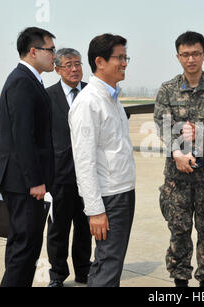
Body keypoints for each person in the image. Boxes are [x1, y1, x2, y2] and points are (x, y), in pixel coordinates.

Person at [154, 31, 204, 287]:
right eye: (185, 54)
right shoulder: (168, 89)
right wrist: (177, 154)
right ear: (178, 56)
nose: (191, 59)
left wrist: (202, 135)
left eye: (196, 54)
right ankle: (180, 283)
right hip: (177, 178)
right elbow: (163, 125)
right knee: (179, 231)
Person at [68, 34, 135, 287]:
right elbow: (83, 161)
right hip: (109, 197)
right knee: (108, 265)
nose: (125, 63)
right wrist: (95, 210)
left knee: (109, 263)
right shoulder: (88, 102)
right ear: (100, 61)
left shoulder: (112, 97)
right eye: (120, 58)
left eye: (125, 57)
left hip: (123, 190)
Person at [0, 27, 56, 287]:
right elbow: (23, 137)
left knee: (21, 246)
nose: (54, 55)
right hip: (23, 183)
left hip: (22, 181)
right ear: (33, 51)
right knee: (25, 249)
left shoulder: (30, 79)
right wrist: (35, 181)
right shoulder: (21, 81)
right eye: (50, 50)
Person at [46, 48, 91, 287]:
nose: (74, 69)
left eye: (77, 64)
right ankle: (57, 275)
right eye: (68, 65)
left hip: (88, 176)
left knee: (86, 226)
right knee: (58, 229)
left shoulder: (92, 91)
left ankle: (84, 270)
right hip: (59, 175)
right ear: (57, 69)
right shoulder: (47, 96)